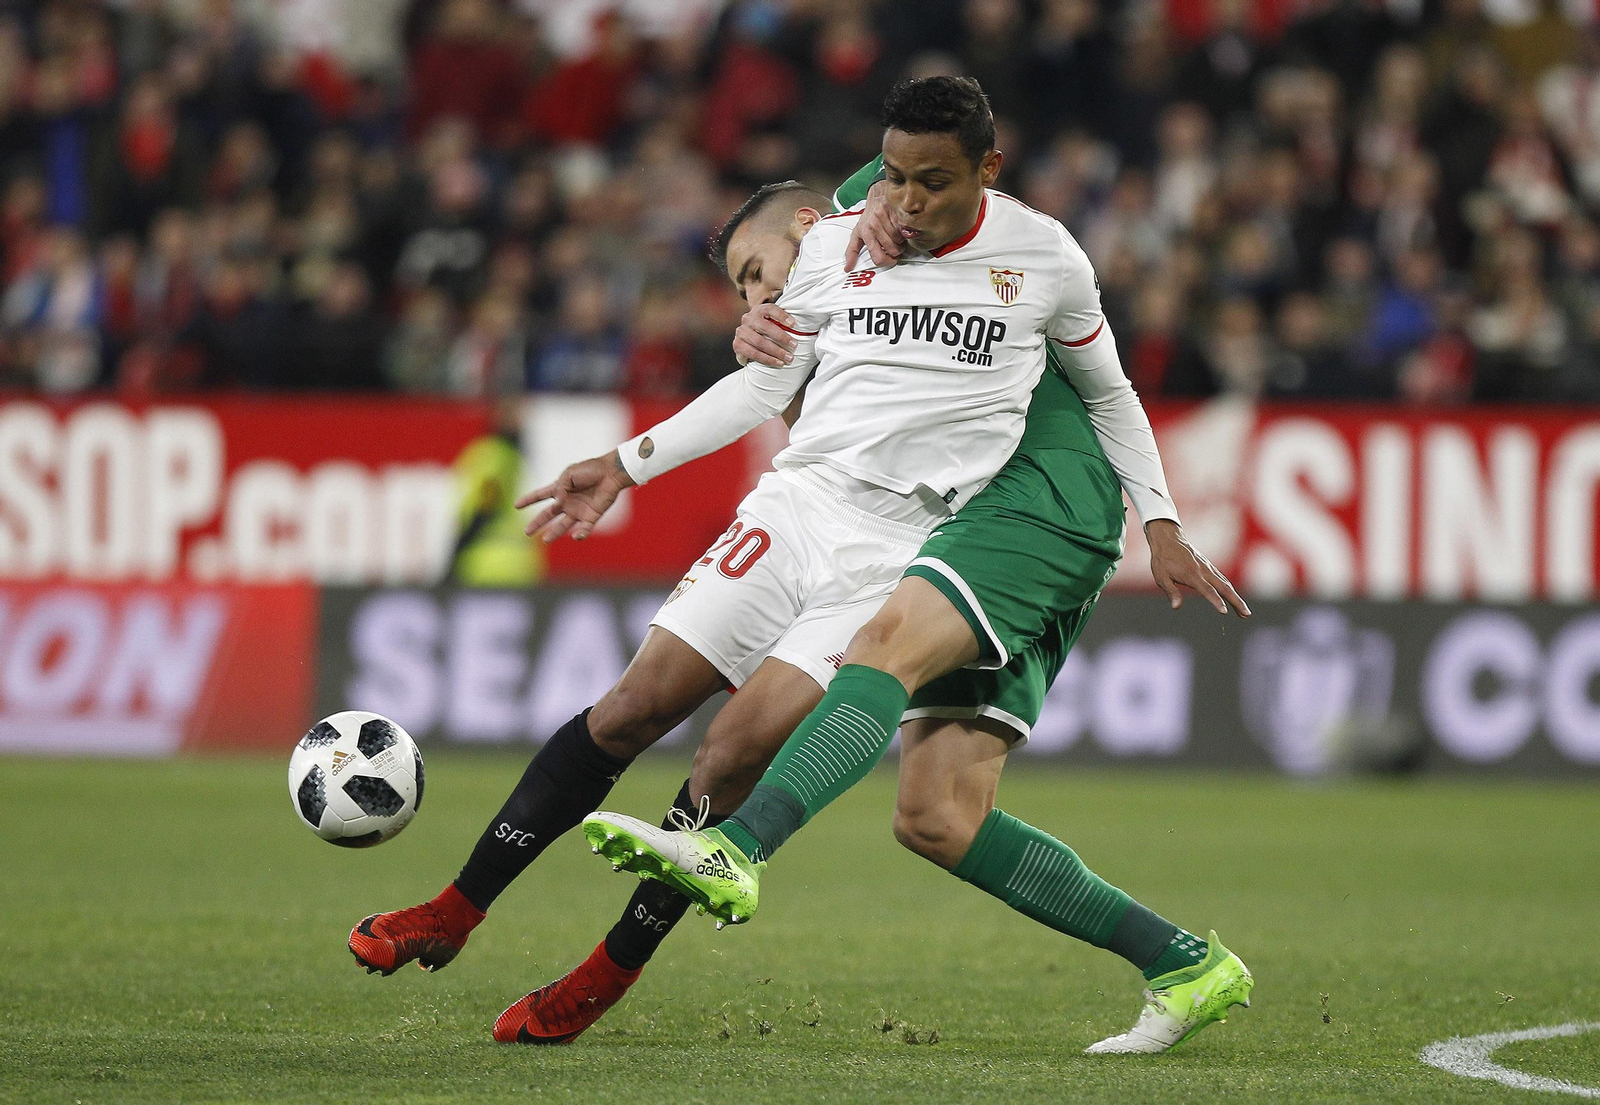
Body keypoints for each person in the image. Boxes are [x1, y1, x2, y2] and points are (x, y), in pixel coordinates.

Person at [583, 76, 1254, 1055]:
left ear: (978, 169)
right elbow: (804, 291)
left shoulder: (1028, 249)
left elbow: (1109, 391)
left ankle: (735, 846)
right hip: (963, 516)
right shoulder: (868, 211)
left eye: (924, 184)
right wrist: (770, 324)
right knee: (936, 814)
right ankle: (1187, 963)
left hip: (1040, 494)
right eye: (890, 183)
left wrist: (1160, 519)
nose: (903, 203)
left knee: (880, 642)